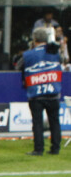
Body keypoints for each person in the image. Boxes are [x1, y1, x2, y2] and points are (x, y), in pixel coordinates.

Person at [22, 27, 62, 156]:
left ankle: (38, 149)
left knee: (37, 122)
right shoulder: (55, 52)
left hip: (36, 93)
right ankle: (55, 148)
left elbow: (19, 65)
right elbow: (63, 61)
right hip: (53, 91)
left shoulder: (28, 54)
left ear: (34, 39)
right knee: (55, 121)